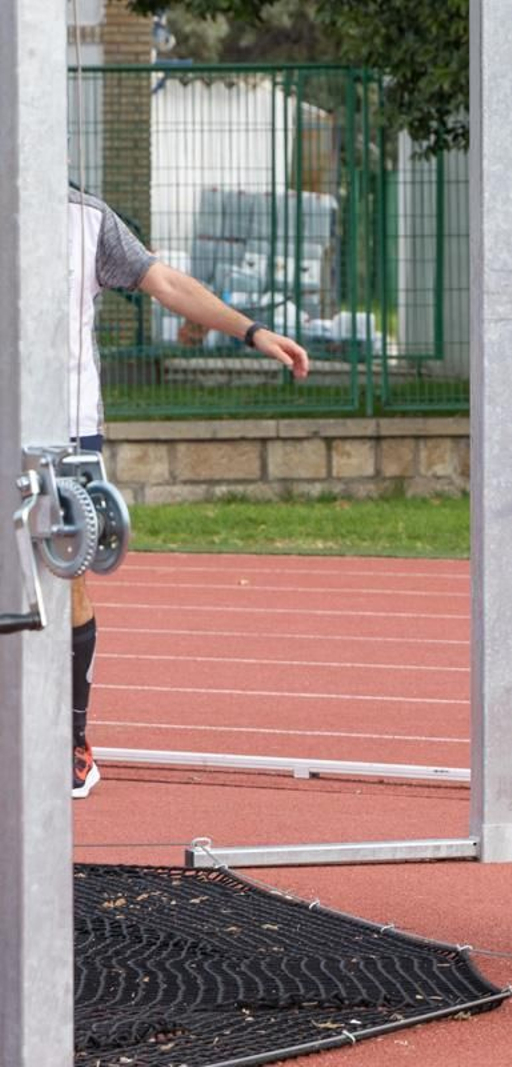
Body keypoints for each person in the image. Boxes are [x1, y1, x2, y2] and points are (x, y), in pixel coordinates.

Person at [67, 186, 308, 797]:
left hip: (64, 426)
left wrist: (251, 331)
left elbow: (165, 282)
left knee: (64, 576)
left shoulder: (85, 217)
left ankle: (69, 740)